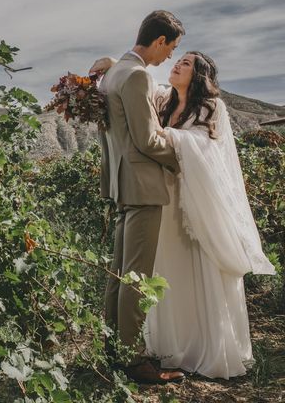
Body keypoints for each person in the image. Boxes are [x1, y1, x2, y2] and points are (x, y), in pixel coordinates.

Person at [92, 51, 276, 380]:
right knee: (168, 270)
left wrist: (173, 136)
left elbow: (209, 149)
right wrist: (111, 64)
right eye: (179, 60)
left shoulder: (211, 107)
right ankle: (171, 344)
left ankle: (200, 347)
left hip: (195, 202)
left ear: (200, 75)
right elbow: (135, 85)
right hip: (164, 196)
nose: (177, 64)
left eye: (187, 63)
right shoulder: (163, 99)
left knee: (196, 267)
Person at [95, 10, 186, 384]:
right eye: (171, 49)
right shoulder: (136, 75)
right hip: (143, 185)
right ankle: (133, 360)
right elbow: (147, 139)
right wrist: (184, 158)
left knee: (118, 273)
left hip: (122, 183)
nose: (169, 58)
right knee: (136, 275)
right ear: (159, 40)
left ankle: (112, 349)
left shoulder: (112, 74)